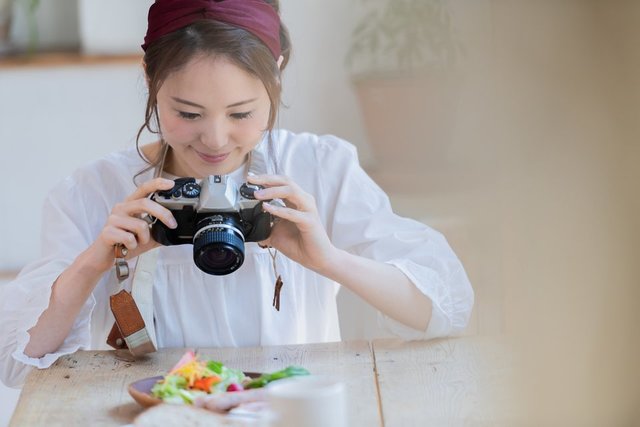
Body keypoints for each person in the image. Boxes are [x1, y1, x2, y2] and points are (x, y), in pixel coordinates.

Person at [0, 0, 473, 387]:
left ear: (277, 76)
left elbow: (445, 309)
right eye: (188, 114)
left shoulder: (321, 169)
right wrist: (94, 263)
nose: (216, 140)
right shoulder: (93, 191)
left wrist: (328, 260)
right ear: (150, 80)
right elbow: (15, 364)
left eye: (242, 113)